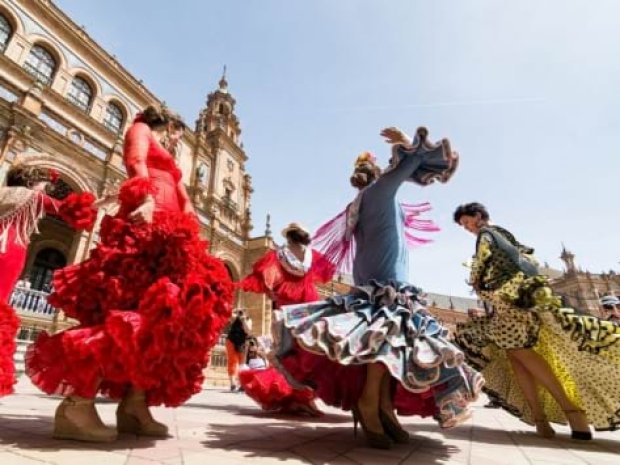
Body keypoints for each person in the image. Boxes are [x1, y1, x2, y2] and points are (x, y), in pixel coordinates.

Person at [25, 105, 234, 442]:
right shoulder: (140, 130)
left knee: (159, 318)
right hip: (145, 223)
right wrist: (145, 199)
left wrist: (190, 223)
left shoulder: (167, 152)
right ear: (167, 124)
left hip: (171, 232)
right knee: (125, 310)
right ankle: (77, 405)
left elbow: (180, 191)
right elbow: (136, 163)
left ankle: (134, 405)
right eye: (176, 131)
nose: (177, 138)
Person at [273, 127, 482, 449]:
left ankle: (383, 405)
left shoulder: (365, 200)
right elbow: (410, 164)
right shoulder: (380, 191)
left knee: (388, 340)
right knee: (385, 338)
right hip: (384, 277)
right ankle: (371, 402)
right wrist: (402, 142)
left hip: (384, 274)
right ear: (377, 174)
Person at [453, 202, 620, 440]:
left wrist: (475, 279)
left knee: (523, 355)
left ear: (478, 216)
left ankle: (572, 411)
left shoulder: (486, 235)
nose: (467, 228)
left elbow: (480, 265)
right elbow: (528, 259)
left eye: (467, 222)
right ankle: (541, 418)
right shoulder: (505, 234)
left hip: (509, 308)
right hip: (514, 306)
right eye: (464, 226)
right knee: (516, 360)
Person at [0, 165, 96, 397]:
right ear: (34, 182)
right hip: (10, 250)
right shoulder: (33, 196)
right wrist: (102, 203)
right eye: (45, 186)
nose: (46, 190)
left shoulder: (4, 193)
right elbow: (68, 209)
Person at [238, 222, 335, 415]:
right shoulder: (311, 255)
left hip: (288, 307)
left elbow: (261, 278)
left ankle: (294, 398)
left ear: (288, 237)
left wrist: (272, 293)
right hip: (309, 307)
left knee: (286, 352)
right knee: (308, 353)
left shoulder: (278, 255)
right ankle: (305, 399)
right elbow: (328, 272)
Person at [226, 309, 252, 392]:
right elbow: (227, 314)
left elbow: (247, 331)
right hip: (231, 341)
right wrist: (235, 310)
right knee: (232, 361)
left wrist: (243, 320)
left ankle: (242, 384)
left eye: (243, 312)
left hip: (242, 343)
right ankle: (232, 384)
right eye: (241, 313)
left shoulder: (248, 320)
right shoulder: (235, 318)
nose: (241, 314)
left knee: (242, 364)